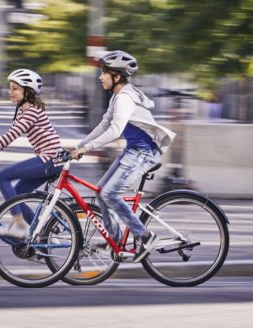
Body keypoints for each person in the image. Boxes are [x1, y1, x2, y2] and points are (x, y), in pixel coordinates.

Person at [70, 50, 176, 263]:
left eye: (104, 73)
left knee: (110, 194)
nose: (100, 77)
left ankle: (145, 236)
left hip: (144, 153)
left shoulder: (125, 98)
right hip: (133, 151)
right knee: (101, 192)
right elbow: (103, 125)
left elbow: (115, 130)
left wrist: (87, 148)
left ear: (116, 76)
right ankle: (116, 241)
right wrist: (78, 147)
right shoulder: (118, 96)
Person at [0, 69, 63, 239]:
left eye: (15, 89)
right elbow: (10, 134)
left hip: (50, 160)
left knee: (2, 177)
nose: (10, 92)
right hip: (49, 159)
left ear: (27, 92)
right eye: (10, 88)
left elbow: (9, 137)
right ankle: (40, 234)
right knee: (16, 195)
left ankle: (20, 225)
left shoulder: (31, 112)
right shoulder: (24, 111)